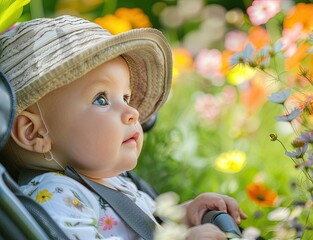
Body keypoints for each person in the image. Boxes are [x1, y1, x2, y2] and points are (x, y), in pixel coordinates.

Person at [0, 15, 247, 240]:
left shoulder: (118, 182)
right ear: (34, 132)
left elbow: (145, 226)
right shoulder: (55, 197)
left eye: (126, 98)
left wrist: (185, 215)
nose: (132, 113)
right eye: (101, 99)